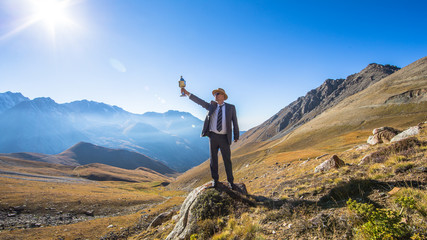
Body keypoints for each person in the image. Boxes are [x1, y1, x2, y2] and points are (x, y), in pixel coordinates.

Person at [181, 87, 239, 189]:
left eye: (217, 93)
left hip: (225, 137)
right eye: (215, 94)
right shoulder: (212, 106)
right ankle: (215, 181)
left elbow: (235, 121)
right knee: (213, 159)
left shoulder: (231, 107)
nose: (215, 95)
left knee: (227, 160)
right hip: (213, 136)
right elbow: (200, 102)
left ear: (222, 96)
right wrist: (187, 94)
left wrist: (236, 135)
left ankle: (231, 182)